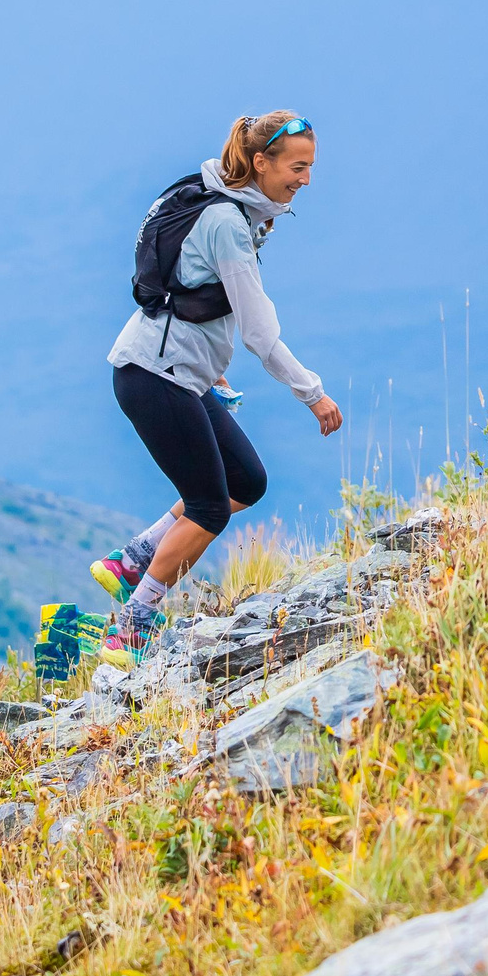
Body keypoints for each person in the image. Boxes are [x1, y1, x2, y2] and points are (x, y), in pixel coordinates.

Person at [94, 110, 343, 661]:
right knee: (209, 506)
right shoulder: (228, 222)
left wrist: (211, 363)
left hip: (179, 373)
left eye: (310, 168)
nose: (305, 180)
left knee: (246, 482)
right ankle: (131, 628)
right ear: (261, 162)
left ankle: (131, 558)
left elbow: (195, 294)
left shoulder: (231, 207)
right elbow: (259, 331)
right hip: (153, 377)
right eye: (297, 167)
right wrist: (313, 393)